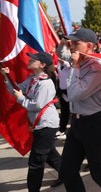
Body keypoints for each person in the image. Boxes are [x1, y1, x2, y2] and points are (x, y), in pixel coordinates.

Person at [60, 28, 101, 192]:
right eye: (71, 43)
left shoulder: (96, 69)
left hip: (94, 124)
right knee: (67, 171)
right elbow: (60, 52)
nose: (71, 47)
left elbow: (74, 94)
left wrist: (74, 67)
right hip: (77, 122)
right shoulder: (77, 62)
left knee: (99, 172)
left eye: (76, 43)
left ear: (90, 46)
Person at [1, 52, 63, 191]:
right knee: (50, 154)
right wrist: (7, 76)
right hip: (38, 123)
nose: (29, 60)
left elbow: (37, 105)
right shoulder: (32, 79)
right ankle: (67, 173)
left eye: (33, 59)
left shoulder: (46, 83)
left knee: (36, 161)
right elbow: (16, 90)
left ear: (42, 65)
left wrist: (21, 99)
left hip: (46, 124)